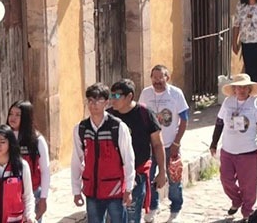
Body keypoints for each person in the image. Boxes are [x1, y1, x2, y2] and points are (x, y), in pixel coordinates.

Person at [72, 83, 136, 223]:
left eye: (98, 100)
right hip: (92, 190)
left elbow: (128, 158)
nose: (93, 105)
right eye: (90, 100)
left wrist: (129, 188)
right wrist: (76, 190)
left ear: (107, 102)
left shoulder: (117, 127)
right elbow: (76, 160)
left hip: (115, 190)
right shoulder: (81, 128)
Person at [210, 74, 257, 221]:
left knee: (248, 185)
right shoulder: (228, 102)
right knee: (226, 179)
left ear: (249, 89)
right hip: (228, 149)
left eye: (244, 87)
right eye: (239, 87)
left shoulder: (256, 104)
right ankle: (236, 200)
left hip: (248, 150)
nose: (241, 90)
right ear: (234, 89)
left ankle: (247, 212)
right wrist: (214, 143)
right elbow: (219, 122)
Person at [106, 79, 165, 223]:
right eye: (111, 96)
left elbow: (157, 144)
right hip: (112, 176)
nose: (113, 100)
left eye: (117, 96)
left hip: (137, 176)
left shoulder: (145, 114)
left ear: (130, 96)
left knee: (132, 216)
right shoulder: (107, 117)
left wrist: (162, 172)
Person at [138, 65, 189, 222]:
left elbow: (184, 119)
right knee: (149, 177)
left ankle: (176, 209)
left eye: (161, 77)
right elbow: (140, 116)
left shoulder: (176, 94)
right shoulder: (146, 93)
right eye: (155, 77)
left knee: (174, 179)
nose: (158, 81)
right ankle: (153, 206)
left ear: (167, 77)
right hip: (150, 146)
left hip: (169, 145)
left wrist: (176, 142)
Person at [7, 100, 50, 221]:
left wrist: (43, 198)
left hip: (33, 194)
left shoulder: (37, 140)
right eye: (11, 114)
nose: (13, 118)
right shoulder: (4, 138)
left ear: (26, 117)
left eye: (17, 115)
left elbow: (45, 171)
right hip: (10, 194)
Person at [0, 125, 36, 223]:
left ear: (10, 143)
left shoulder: (22, 166)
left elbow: (28, 196)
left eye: (2, 142)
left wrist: (30, 216)